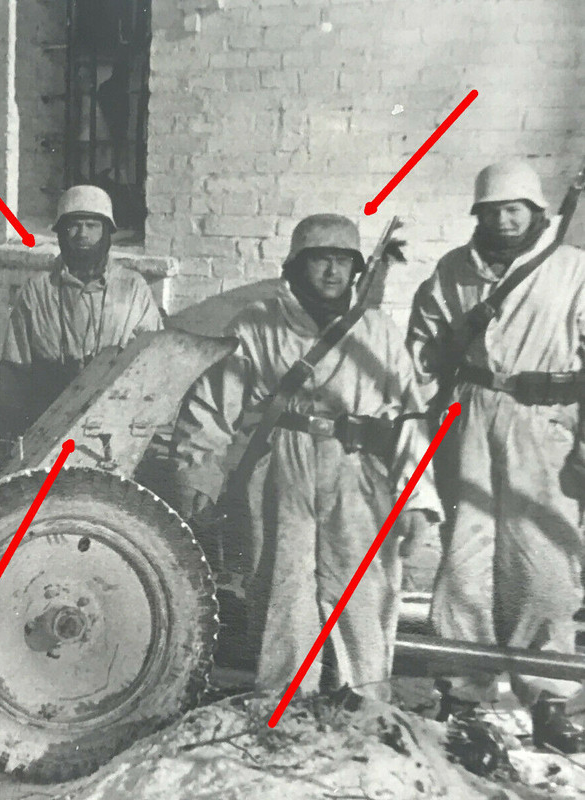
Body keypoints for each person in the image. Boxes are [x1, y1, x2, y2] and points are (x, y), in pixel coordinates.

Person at [170, 214, 441, 701]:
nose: (333, 273)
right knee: (283, 591)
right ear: (294, 267)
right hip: (281, 469)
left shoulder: (378, 331)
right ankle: (285, 705)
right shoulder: (258, 325)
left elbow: (409, 417)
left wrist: (418, 497)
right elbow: (211, 405)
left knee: (364, 592)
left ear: (357, 270)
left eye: (343, 262)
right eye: (320, 261)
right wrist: (199, 476)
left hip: (358, 468)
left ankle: (366, 706)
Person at [407, 159, 585, 752]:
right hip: (473, 415)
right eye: (493, 211)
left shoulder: (572, 269)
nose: (504, 220)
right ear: (478, 215)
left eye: (516, 210)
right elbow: (423, 350)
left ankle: (551, 697)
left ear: (537, 213)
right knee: (466, 560)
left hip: (545, 423)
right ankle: (463, 692)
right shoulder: (454, 272)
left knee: (544, 563)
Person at [0, 185, 162, 440]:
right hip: (48, 428)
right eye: (74, 226)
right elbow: (14, 372)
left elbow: (153, 367)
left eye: (92, 226)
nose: (82, 234)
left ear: (106, 232)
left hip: (113, 430)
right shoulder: (38, 291)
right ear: (61, 233)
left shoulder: (132, 289)